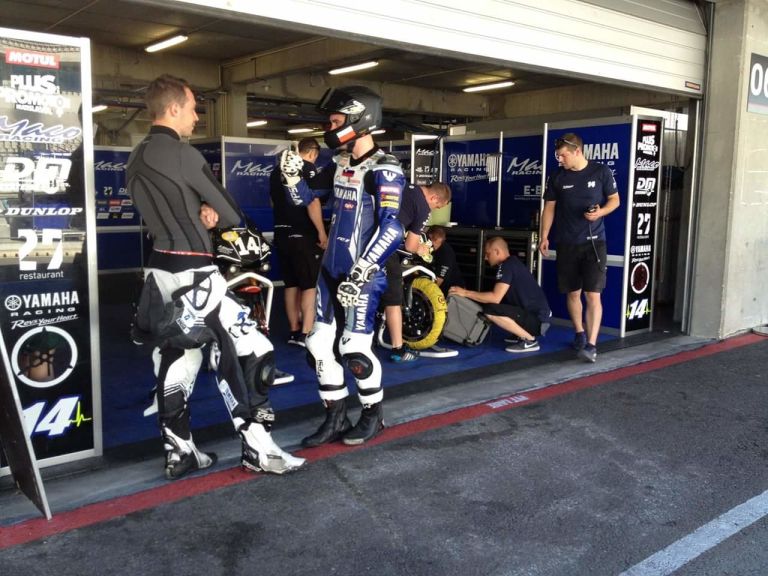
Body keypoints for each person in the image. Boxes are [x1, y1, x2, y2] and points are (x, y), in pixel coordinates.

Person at [126, 74, 305, 479]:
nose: (196, 117)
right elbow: (231, 212)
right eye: (192, 109)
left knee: (180, 355)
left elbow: (168, 207)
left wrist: (198, 211)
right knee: (256, 349)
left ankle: (179, 452)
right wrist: (209, 212)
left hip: (158, 270)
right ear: (173, 108)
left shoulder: (136, 156)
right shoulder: (182, 153)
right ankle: (259, 449)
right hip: (195, 270)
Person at [279, 85, 405, 447]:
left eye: (336, 121)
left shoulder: (385, 168)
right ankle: (335, 416)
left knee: (354, 349)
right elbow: (307, 199)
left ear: (360, 120)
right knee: (318, 344)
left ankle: (372, 416)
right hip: (330, 270)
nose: (330, 128)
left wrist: (364, 269)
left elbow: (393, 228)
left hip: (362, 275)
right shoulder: (340, 163)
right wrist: (292, 179)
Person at [539, 132, 620, 363]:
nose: (560, 160)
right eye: (558, 156)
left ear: (577, 151)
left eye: (563, 155)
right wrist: (544, 236)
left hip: (594, 243)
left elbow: (615, 200)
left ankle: (592, 345)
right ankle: (579, 333)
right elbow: (549, 208)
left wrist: (600, 213)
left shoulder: (601, 171)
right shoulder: (557, 176)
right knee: (573, 292)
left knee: (593, 294)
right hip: (567, 243)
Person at [382, 182, 451, 362]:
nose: (434, 210)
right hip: (385, 248)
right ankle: (398, 349)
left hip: (365, 238)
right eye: (437, 206)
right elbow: (410, 246)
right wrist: (421, 249)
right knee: (394, 300)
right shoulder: (423, 208)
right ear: (434, 198)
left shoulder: (406, 186)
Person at [269, 137, 328, 347]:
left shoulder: (276, 171)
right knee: (309, 285)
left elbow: (273, 201)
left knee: (291, 284)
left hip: (281, 233)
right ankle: (306, 333)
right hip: (303, 235)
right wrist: (321, 233)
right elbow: (312, 202)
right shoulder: (307, 168)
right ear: (312, 153)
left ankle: (294, 330)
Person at [449, 236, 551, 353]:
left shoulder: (507, 265)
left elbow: (495, 298)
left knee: (490, 309)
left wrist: (465, 293)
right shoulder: (512, 263)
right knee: (494, 304)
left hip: (537, 321)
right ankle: (520, 333)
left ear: (497, 251)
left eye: (488, 253)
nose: (485, 257)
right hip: (537, 318)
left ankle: (529, 340)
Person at [427, 225, 465, 295]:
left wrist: (425, 294)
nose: (432, 243)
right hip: (438, 286)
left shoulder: (446, 253)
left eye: (435, 240)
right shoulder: (428, 247)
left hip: (452, 291)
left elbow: (439, 280)